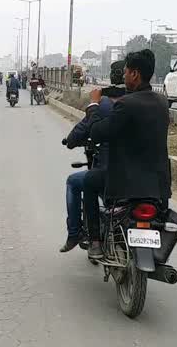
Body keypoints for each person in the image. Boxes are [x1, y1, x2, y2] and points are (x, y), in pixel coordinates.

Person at [84, 49, 171, 259]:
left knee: (88, 181)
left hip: (126, 183)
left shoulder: (125, 104)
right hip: (158, 186)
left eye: (125, 72)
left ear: (134, 74)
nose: (123, 76)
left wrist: (94, 104)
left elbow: (97, 133)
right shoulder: (162, 103)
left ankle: (95, 241)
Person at [60, 64, 125, 252]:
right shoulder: (141, 102)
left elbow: (84, 129)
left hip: (109, 171)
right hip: (141, 174)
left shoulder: (103, 104)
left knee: (75, 182)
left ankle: (75, 233)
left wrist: (71, 141)